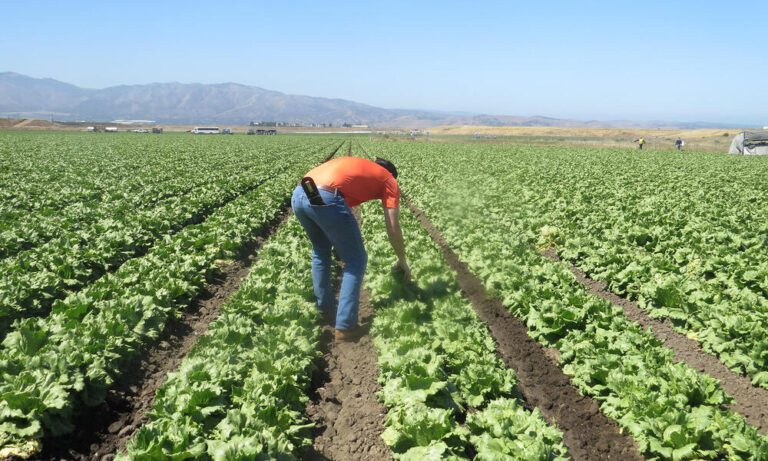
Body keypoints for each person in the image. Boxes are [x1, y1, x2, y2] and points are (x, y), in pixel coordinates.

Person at [291, 156, 411, 341]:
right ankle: (346, 327)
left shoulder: (359, 168)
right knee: (356, 260)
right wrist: (402, 260)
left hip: (301, 192)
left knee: (321, 250)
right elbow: (393, 226)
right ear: (392, 175)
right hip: (325, 195)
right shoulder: (389, 180)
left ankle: (324, 310)